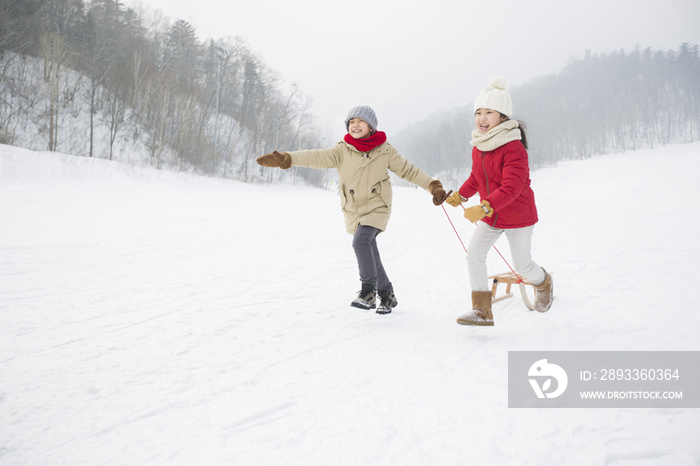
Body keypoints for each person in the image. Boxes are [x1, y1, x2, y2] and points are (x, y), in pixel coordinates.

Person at [256, 106, 447, 314]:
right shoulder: (342, 150)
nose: (355, 125)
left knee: (360, 241)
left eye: (360, 121)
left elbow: (408, 170)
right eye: (351, 122)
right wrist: (287, 158)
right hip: (354, 209)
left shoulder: (385, 150)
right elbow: (316, 156)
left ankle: (368, 291)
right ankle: (387, 294)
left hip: (377, 206)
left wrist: (433, 186)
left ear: (371, 127)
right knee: (369, 248)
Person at [445, 77, 553, 326]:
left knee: (523, 267)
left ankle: (543, 282)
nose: (482, 118)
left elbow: (512, 187)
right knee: (474, 255)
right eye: (478, 113)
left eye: (489, 113)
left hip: (518, 217)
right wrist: (460, 195)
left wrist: (482, 208)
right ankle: (482, 311)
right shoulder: (479, 146)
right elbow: (477, 176)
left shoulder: (514, 148)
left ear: (503, 117)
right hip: (492, 216)